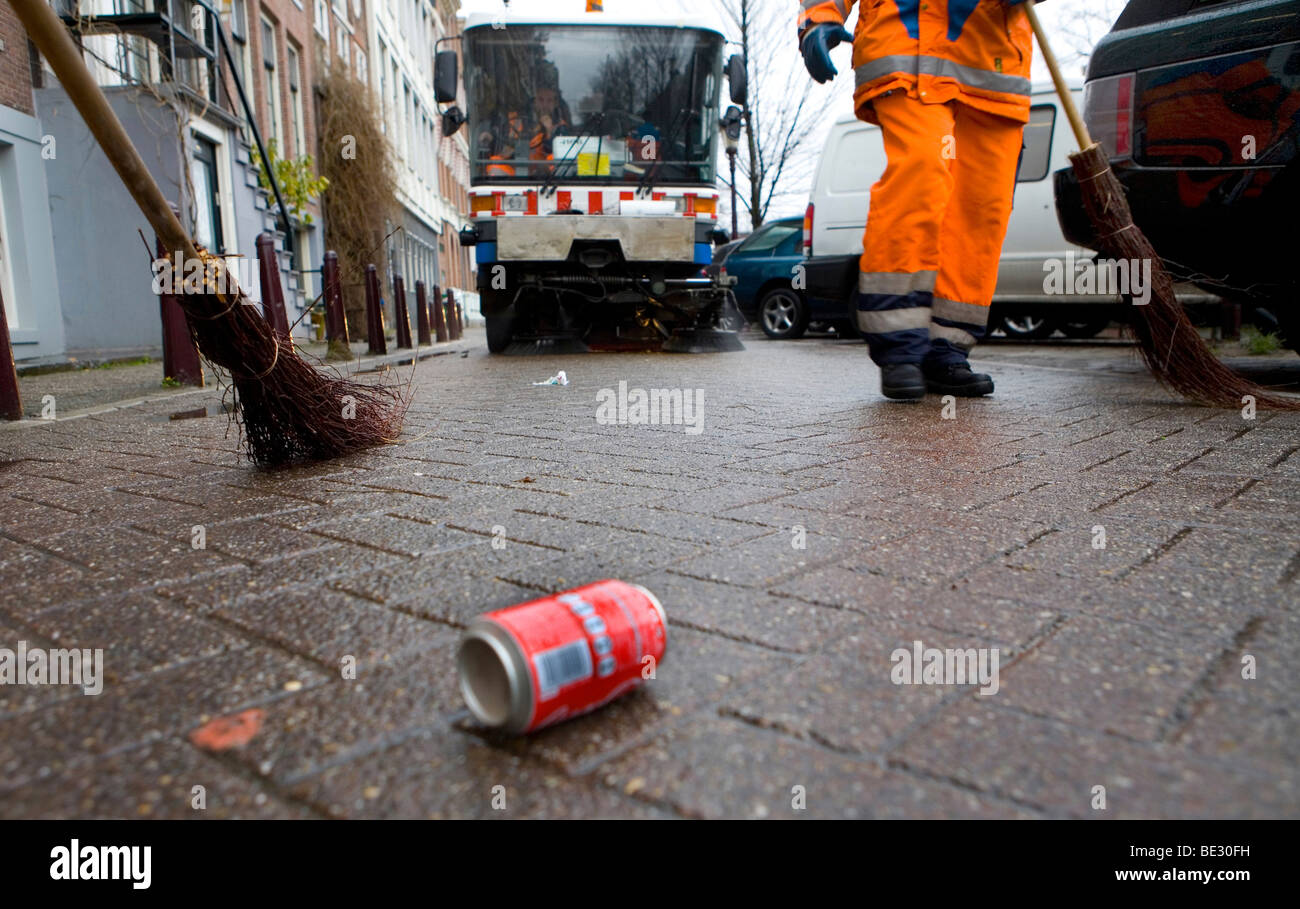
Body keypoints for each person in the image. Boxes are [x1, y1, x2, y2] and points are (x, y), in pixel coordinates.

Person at [798, 0, 1042, 400]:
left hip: (992, 66)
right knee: (923, 171)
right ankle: (900, 347)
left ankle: (945, 349)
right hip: (905, 45)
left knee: (983, 208)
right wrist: (818, 19)